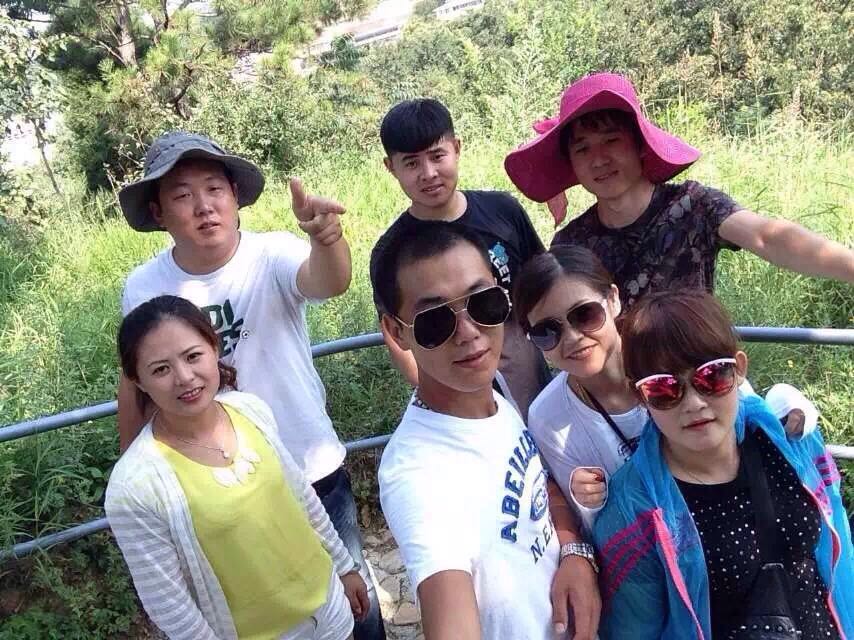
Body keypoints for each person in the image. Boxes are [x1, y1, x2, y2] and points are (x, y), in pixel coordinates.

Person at [117, 131, 385, 639]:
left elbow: (328, 282)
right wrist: (135, 479)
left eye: (214, 189)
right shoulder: (144, 286)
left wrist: (327, 240)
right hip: (218, 489)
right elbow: (134, 378)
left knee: (354, 598)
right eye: (182, 195)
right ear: (158, 212)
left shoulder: (271, 253)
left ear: (235, 195)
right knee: (257, 603)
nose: (204, 206)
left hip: (308, 458)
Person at [372, 221, 600, 640]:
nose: (469, 333)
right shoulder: (415, 474)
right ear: (396, 332)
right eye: (435, 321)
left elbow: (537, 484)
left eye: (484, 303)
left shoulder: (493, 391)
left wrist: (573, 551)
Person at [591, 291, 854, 639]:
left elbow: (839, 549)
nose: (694, 403)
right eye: (664, 389)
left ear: (739, 369)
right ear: (641, 396)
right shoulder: (633, 510)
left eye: (711, 376)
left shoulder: (789, 439)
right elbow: (634, 632)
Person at [106, 295, 369, 640]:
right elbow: (170, 604)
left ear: (214, 348)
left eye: (193, 356)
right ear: (138, 381)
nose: (184, 377)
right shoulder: (135, 487)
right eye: (161, 369)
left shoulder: (249, 410)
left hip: (329, 611)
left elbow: (301, 497)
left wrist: (344, 566)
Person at [514, 246, 819, 533]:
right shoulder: (548, 418)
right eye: (546, 331)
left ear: (614, 299)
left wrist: (785, 404)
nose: (572, 337)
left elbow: (746, 414)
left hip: (739, 520)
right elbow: (600, 531)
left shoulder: (669, 349)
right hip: (658, 549)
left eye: (584, 315)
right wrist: (589, 502)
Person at [504, 72, 854, 307]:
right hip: (621, 391)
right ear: (571, 163)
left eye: (611, 140)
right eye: (582, 149)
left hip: (702, 380)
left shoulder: (694, 206)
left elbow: (767, 236)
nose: (599, 160)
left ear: (640, 145)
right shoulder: (572, 243)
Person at [370, 98, 550, 419]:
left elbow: (544, 288)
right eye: (411, 163)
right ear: (390, 167)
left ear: (456, 148)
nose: (428, 173)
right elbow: (398, 337)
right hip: (459, 394)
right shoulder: (393, 252)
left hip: (530, 379)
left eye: (437, 156)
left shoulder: (503, 212)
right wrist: (444, 405)